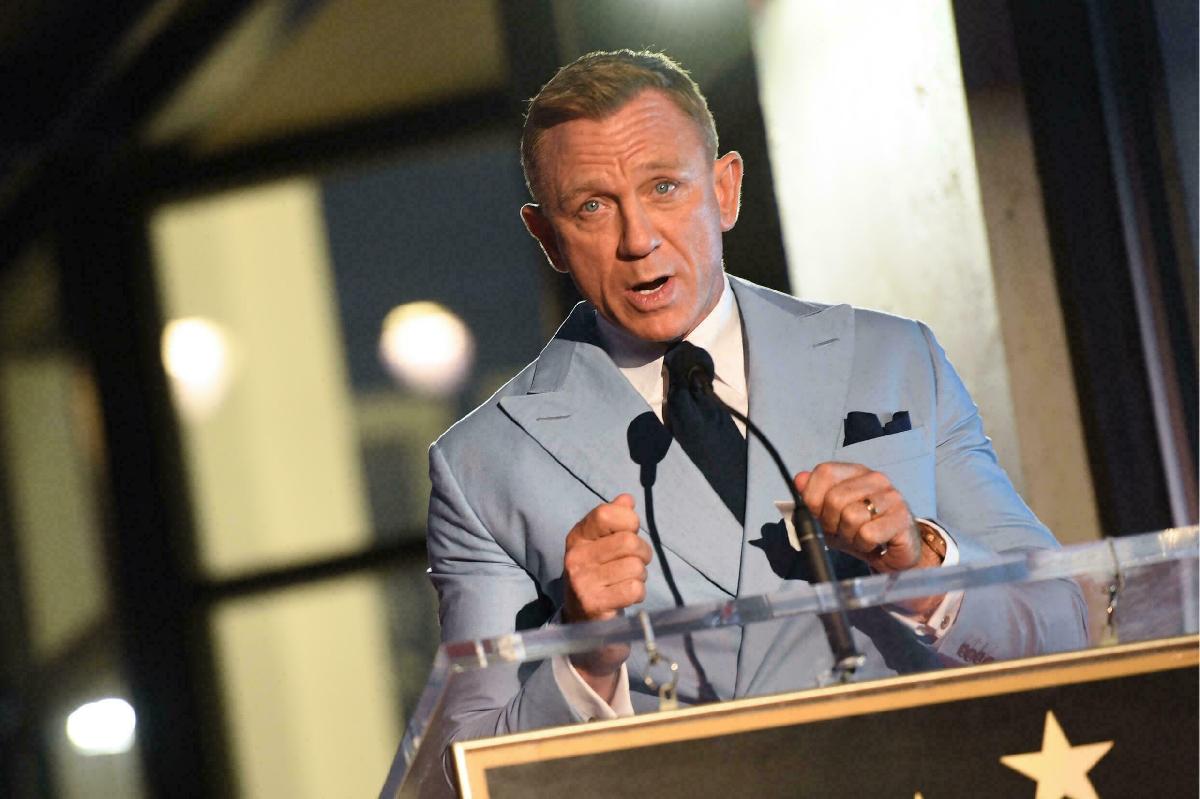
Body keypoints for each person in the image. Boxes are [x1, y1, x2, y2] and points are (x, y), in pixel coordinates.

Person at [420, 50, 1087, 745]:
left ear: (725, 189)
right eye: (592, 207)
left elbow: (1062, 625)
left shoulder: (892, 358)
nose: (638, 240)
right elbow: (464, 762)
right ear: (547, 238)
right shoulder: (484, 465)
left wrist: (919, 566)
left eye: (664, 187)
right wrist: (584, 655)